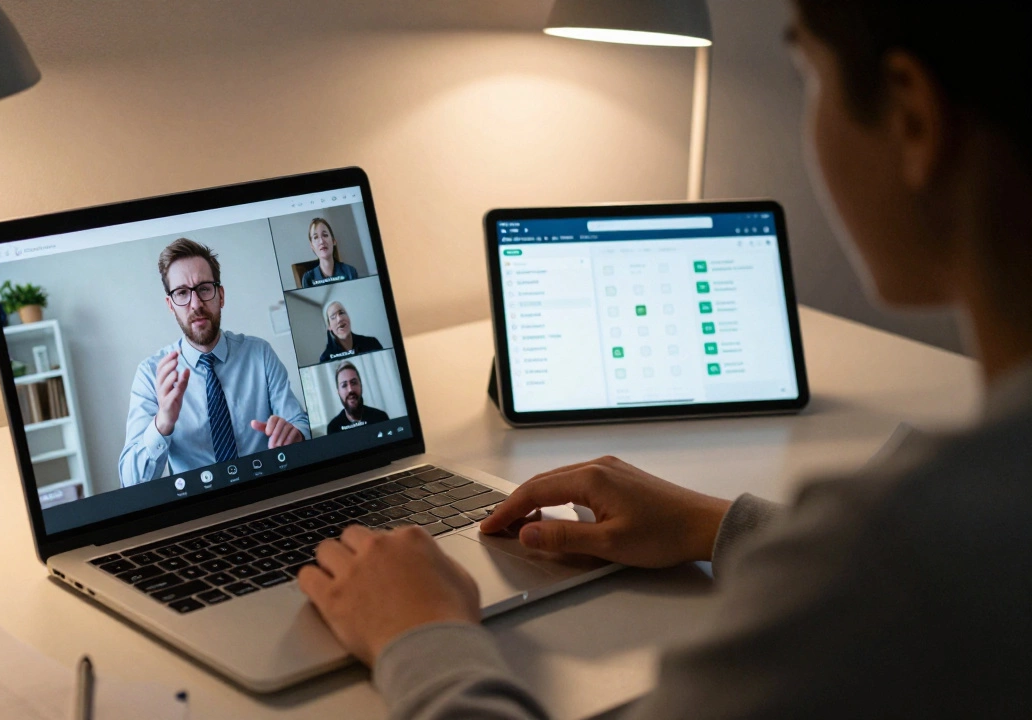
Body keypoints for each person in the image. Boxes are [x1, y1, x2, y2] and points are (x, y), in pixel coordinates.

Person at [297, 1, 1032, 717]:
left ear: (911, 117)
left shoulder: (882, 561)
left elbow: (883, 571)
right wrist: (718, 525)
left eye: (808, 74)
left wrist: (421, 633)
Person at [119, 238, 310, 487]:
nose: (196, 304)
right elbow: (130, 482)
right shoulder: (150, 374)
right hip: (197, 510)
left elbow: (299, 423)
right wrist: (162, 422)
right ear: (170, 305)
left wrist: (295, 437)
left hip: (267, 491)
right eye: (182, 293)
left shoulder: (260, 354)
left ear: (220, 295)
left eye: (204, 289)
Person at [326, 361, 391, 434]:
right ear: (338, 392)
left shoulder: (380, 417)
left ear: (361, 385)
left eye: (354, 383)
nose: (350, 389)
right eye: (344, 385)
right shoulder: (333, 428)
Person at [300, 217, 360, 288]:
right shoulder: (308, 279)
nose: (321, 241)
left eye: (325, 235)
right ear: (312, 246)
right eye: (316, 237)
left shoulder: (350, 272)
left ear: (333, 241)